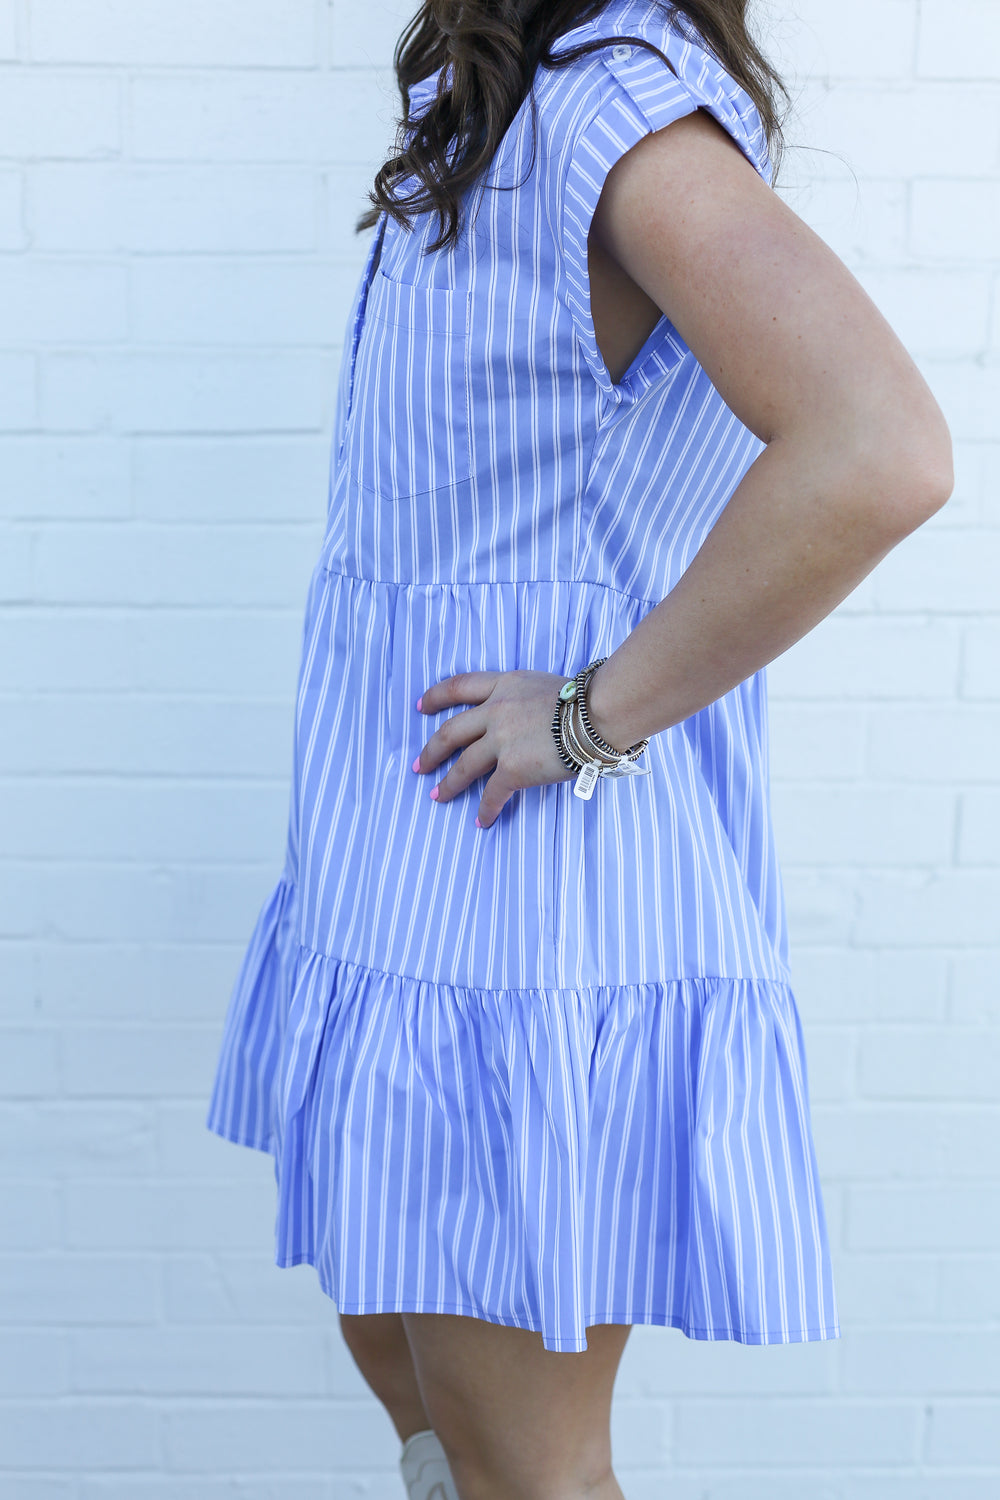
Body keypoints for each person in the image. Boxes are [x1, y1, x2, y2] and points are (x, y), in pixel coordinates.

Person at [205, 0, 954, 1495]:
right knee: (411, 1373)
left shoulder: (620, 117)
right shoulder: (513, 111)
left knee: (530, 1467)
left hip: (524, 918)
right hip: (409, 885)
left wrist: (588, 715)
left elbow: (881, 447)